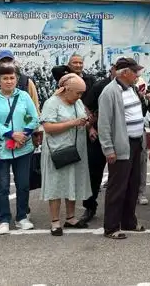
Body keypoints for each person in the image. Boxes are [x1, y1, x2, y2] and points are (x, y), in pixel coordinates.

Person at [0, 65, 40, 235]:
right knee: (2, 186)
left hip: (23, 146)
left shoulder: (23, 96)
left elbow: (33, 116)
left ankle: (22, 217)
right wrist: (10, 134)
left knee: (23, 184)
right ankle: (3, 219)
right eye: (5, 78)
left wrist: (24, 134)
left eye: (12, 78)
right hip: (0, 147)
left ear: (16, 79)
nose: (9, 81)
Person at [98, 58, 147, 239]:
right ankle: (111, 227)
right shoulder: (109, 92)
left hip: (135, 143)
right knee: (117, 187)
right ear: (125, 72)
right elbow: (104, 124)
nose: (137, 75)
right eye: (135, 72)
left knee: (132, 185)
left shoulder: (132, 89)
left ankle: (129, 221)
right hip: (121, 145)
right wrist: (108, 149)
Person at [40, 73, 93, 236]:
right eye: (78, 93)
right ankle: (55, 221)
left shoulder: (77, 102)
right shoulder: (52, 103)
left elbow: (83, 118)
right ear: (66, 90)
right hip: (59, 150)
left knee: (73, 182)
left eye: (81, 93)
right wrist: (73, 123)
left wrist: (87, 121)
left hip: (76, 149)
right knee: (56, 184)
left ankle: (71, 217)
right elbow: (47, 127)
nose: (80, 96)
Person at [79, 65, 116, 225]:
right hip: (99, 134)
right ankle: (90, 206)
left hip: (119, 136)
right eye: (118, 69)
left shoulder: (130, 87)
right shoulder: (100, 86)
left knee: (119, 175)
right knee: (94, 172)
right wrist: (91, 127)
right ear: (112, 70)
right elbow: (85, 106)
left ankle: (117, 209)